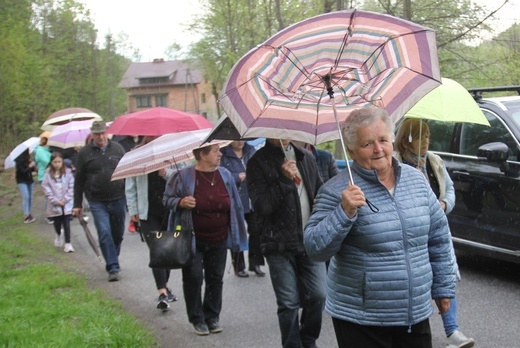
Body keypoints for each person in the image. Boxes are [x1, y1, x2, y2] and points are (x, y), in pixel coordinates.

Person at [303, 106, 456, 348]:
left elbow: (438, 236)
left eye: (383, 140)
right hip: (362, 319)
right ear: (351, 150)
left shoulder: (416, 180)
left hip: (413, 312)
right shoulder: (336, 191)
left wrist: (443, 286)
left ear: (392, 140)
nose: (378, 149)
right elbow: (314, 248)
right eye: (367, 143)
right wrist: (343, 213)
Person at [394, 118, 475, 348]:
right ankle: (409, 329)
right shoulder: (395, 164)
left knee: (445, 275)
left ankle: (453, 332)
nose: (426, 141)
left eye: (428, 136)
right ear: (407, 140)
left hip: (437, 230)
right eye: (420, 136)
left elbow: (448, 189)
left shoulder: (434, 161)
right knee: (416, 279)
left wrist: (443, 204)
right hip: (411, 232)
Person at [246, 138, 326, 348]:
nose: (282, 134)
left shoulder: (305, 156)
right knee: (289, 303)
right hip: (278, 243)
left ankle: (308, 340)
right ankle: (292, 345)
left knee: (319, 295)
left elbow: (319, 189)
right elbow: (261, 206)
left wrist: (323, 201)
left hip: (309, 240)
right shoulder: (257, 162)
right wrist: (282, 179)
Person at [163, 143, 248, 336]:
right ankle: (197, 318)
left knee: (215, 278)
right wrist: (180, 202)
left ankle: (212, 316)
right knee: (193, 277)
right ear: (202, 155)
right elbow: (166, 199)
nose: (220, 154)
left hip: (219, 237)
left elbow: (234, 203)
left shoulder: (225, 175)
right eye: (215, 151)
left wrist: (237, 231)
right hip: (192, 238)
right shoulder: (183, 176)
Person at [125, 136, 178, 312]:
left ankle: (165, 286)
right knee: (157, 250)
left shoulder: (173, 151)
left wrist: (165, 173)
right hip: (147, 212)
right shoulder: (136, 155)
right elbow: (130, 184)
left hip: (169, 211)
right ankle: (162, 293)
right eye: (150, 136)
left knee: (168, 252)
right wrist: (133, 209)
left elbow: (182, 177)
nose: (153, 138)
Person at [72, 120, 127, 282]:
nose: (100, 136)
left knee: (117, 233)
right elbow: (79, 180)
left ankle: (112, 254)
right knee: (104, 233)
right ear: (92, 135)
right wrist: (77, 204)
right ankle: (112, 267)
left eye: (103, 133)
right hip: (97, 201)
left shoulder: (118, 149)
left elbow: (127, 173)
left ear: (107, 133)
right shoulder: (84, 153)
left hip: (118, 198)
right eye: (97, 134)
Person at [220, 140, 265, 277]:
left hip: (251, 198)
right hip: (235, 199)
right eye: (236, 139)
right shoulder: (223, 154)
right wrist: (236, 177)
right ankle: (238, 266)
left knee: (256, 231)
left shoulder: (251, 151)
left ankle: (255, 263)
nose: (240, 142)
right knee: (237, 232)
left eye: (242, 139)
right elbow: (220, 175)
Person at [41, 151, 75, 252]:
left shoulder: (68, 173)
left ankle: (68, 243)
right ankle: (58, 234)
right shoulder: (47, 173)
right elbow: (45, 187)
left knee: (67, 223)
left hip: (66, 203)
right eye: (55, 162)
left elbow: (71, 187)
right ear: (51, 162)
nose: (57, 164)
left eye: (59, 162)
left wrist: (65, 199)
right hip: (54, 204)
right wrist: (55, 200)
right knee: (57, 223)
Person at [15, 149, 37, 223]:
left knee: (30, 197)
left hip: (29, 180)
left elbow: (32, 170)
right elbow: (22, 172)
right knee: (26, 196)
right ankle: (26, 215)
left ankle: (29, 213)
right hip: (21, 181)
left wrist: (34, 167)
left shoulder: (28, 161)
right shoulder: (18, 162)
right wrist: (30, 166)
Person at [35, 136, 53, 224]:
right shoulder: (40, 150)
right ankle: (48, 215)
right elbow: (46, 161)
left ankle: (51, 214)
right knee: (48, 196)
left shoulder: (47, 151)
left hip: (51, 175)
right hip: (43, 176)